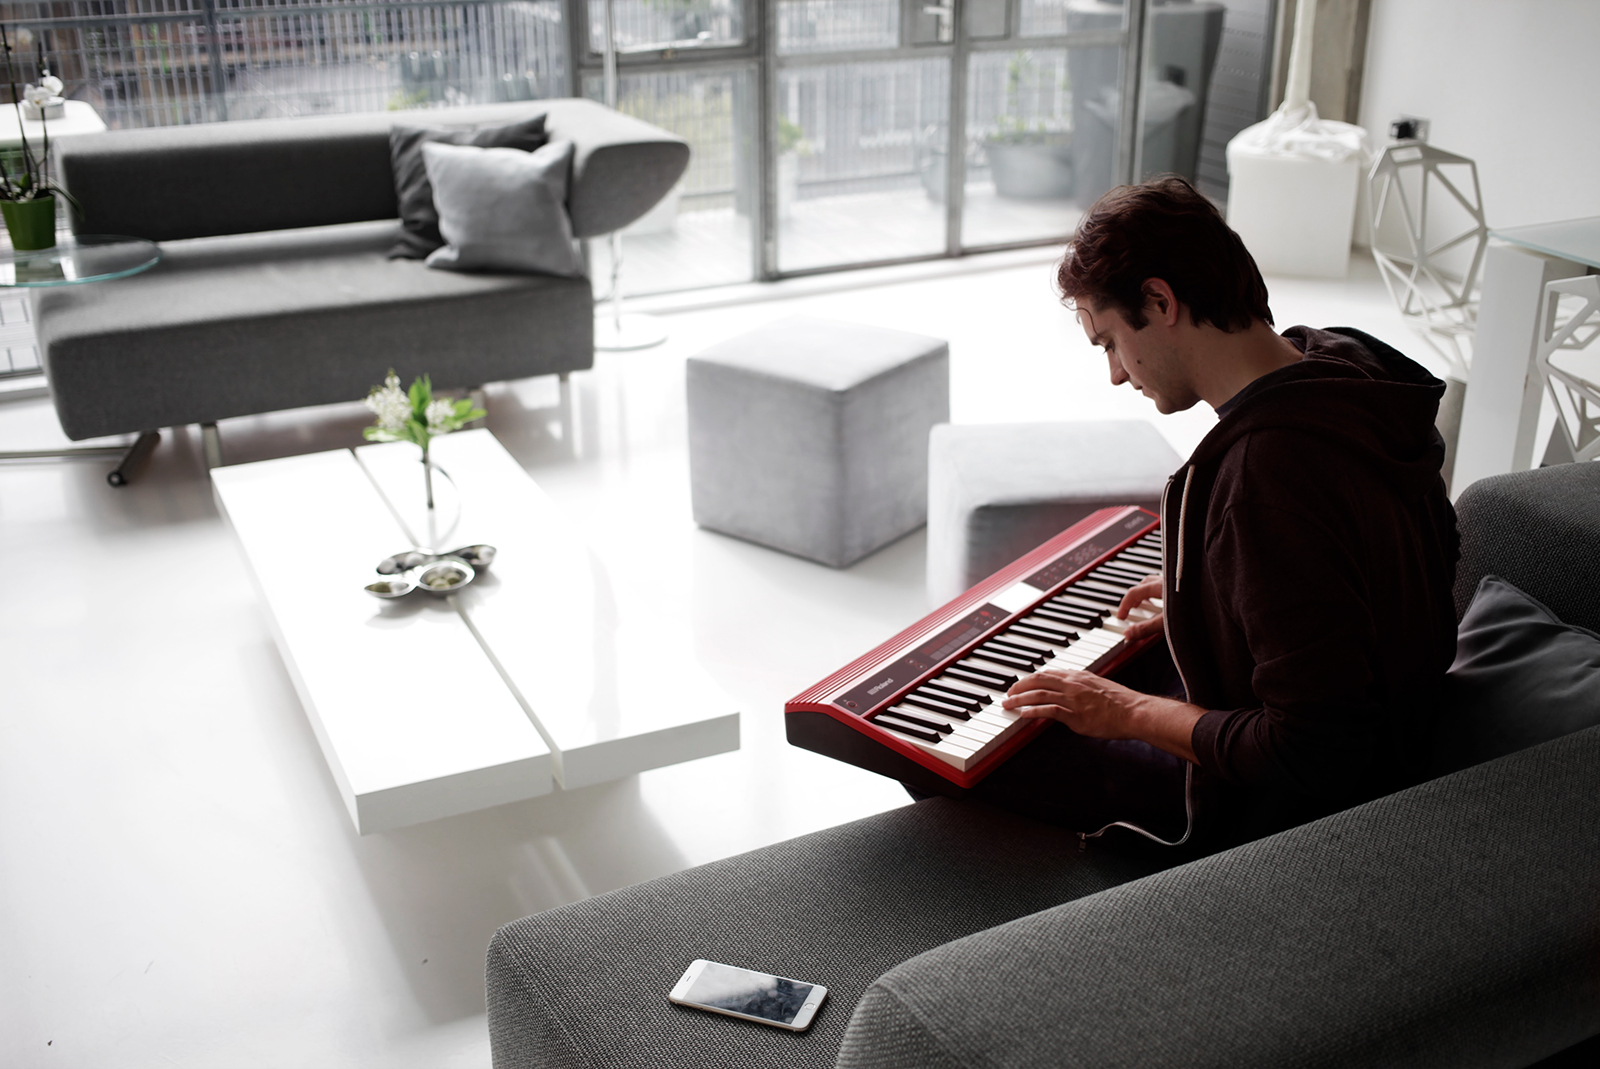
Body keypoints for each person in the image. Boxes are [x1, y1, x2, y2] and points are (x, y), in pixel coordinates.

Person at [977, 176, 1460, 850]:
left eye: (1109, 341)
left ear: (1159, 300)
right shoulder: (1350, 368)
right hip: (1411, 725)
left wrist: (1130, 712)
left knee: (975, 752)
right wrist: (1219, 588)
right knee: (1106, 672)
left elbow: (1317, 750)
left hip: (1293, 807)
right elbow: (1394, 553)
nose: (1116, 372)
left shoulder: (1262, 478)